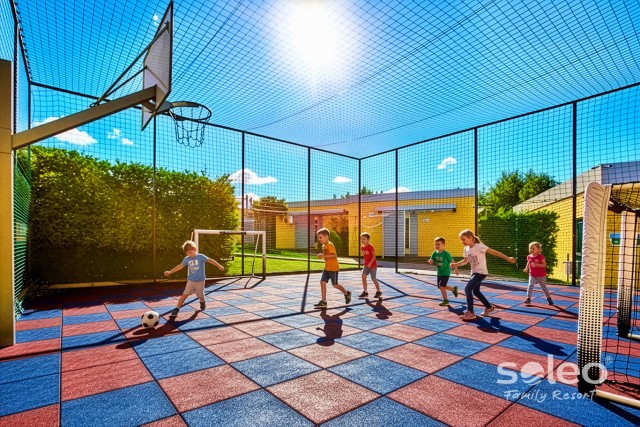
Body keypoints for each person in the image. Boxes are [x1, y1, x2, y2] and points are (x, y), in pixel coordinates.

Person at [450, 229, 516, 321]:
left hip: (481, 272)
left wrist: (507, 258)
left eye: (464, 239)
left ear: (471, 238)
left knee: (468, 289)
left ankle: (470, 312)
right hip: (474, 272)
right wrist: (456, 264)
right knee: (476, 291)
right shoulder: (466, 249)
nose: (462, 242)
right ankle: (489, 307)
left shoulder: (479, 246)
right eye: (461, 240)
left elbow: (494, 252)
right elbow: (465, 261)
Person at [164, 240, 224, 316]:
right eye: (188, 253)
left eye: (191, 252)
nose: (190, 254)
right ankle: (176, 309)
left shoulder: (200, 257)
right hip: (191, 281)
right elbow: (180, 266)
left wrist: (219, 266)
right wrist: (170, 272)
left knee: (200, 295)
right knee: (185, 294)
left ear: (195, 249)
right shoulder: (187, 259)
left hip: (200, 281)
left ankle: (202, 301)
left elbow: (210, 260)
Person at [313, 228, 351, 309]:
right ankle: (323, 302)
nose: (319, 239)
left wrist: (323, 256)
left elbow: (334, 255)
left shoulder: (330, 245)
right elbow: (327, 256)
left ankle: (346, 293)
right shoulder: (323, 246)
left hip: (333, 269)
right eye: (318, 237)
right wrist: (322, 256)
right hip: (327, 268)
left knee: (335, 285)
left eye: (320, 237)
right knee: (322, 283)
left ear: (326, 236)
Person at [428, 237, 459, 306]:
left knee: (442, 286)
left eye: (438, 244)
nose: (437, 246)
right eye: (435, 244)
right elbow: (431, 261)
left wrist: (455, 269)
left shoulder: (446, 253)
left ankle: (446, 301)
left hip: (446, 272)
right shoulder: (434, 253)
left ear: (443, 245)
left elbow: (453, 261)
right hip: (439, 272)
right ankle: (453, 289)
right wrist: (430, 261)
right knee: (440, 286)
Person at [360, 232, 382, 299]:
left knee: (373, 278)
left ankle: (378, 291)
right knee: (363, 277)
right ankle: (365, 292)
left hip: (373, 266)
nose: (362, 240)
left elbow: (374, 256)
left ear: (368, 240)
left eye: (364, 239)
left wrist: (370, 263)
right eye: (361, 239)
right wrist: (366, 263)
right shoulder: (362, 247)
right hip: (366, 265)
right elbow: (365, 256)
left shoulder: (370, 247)